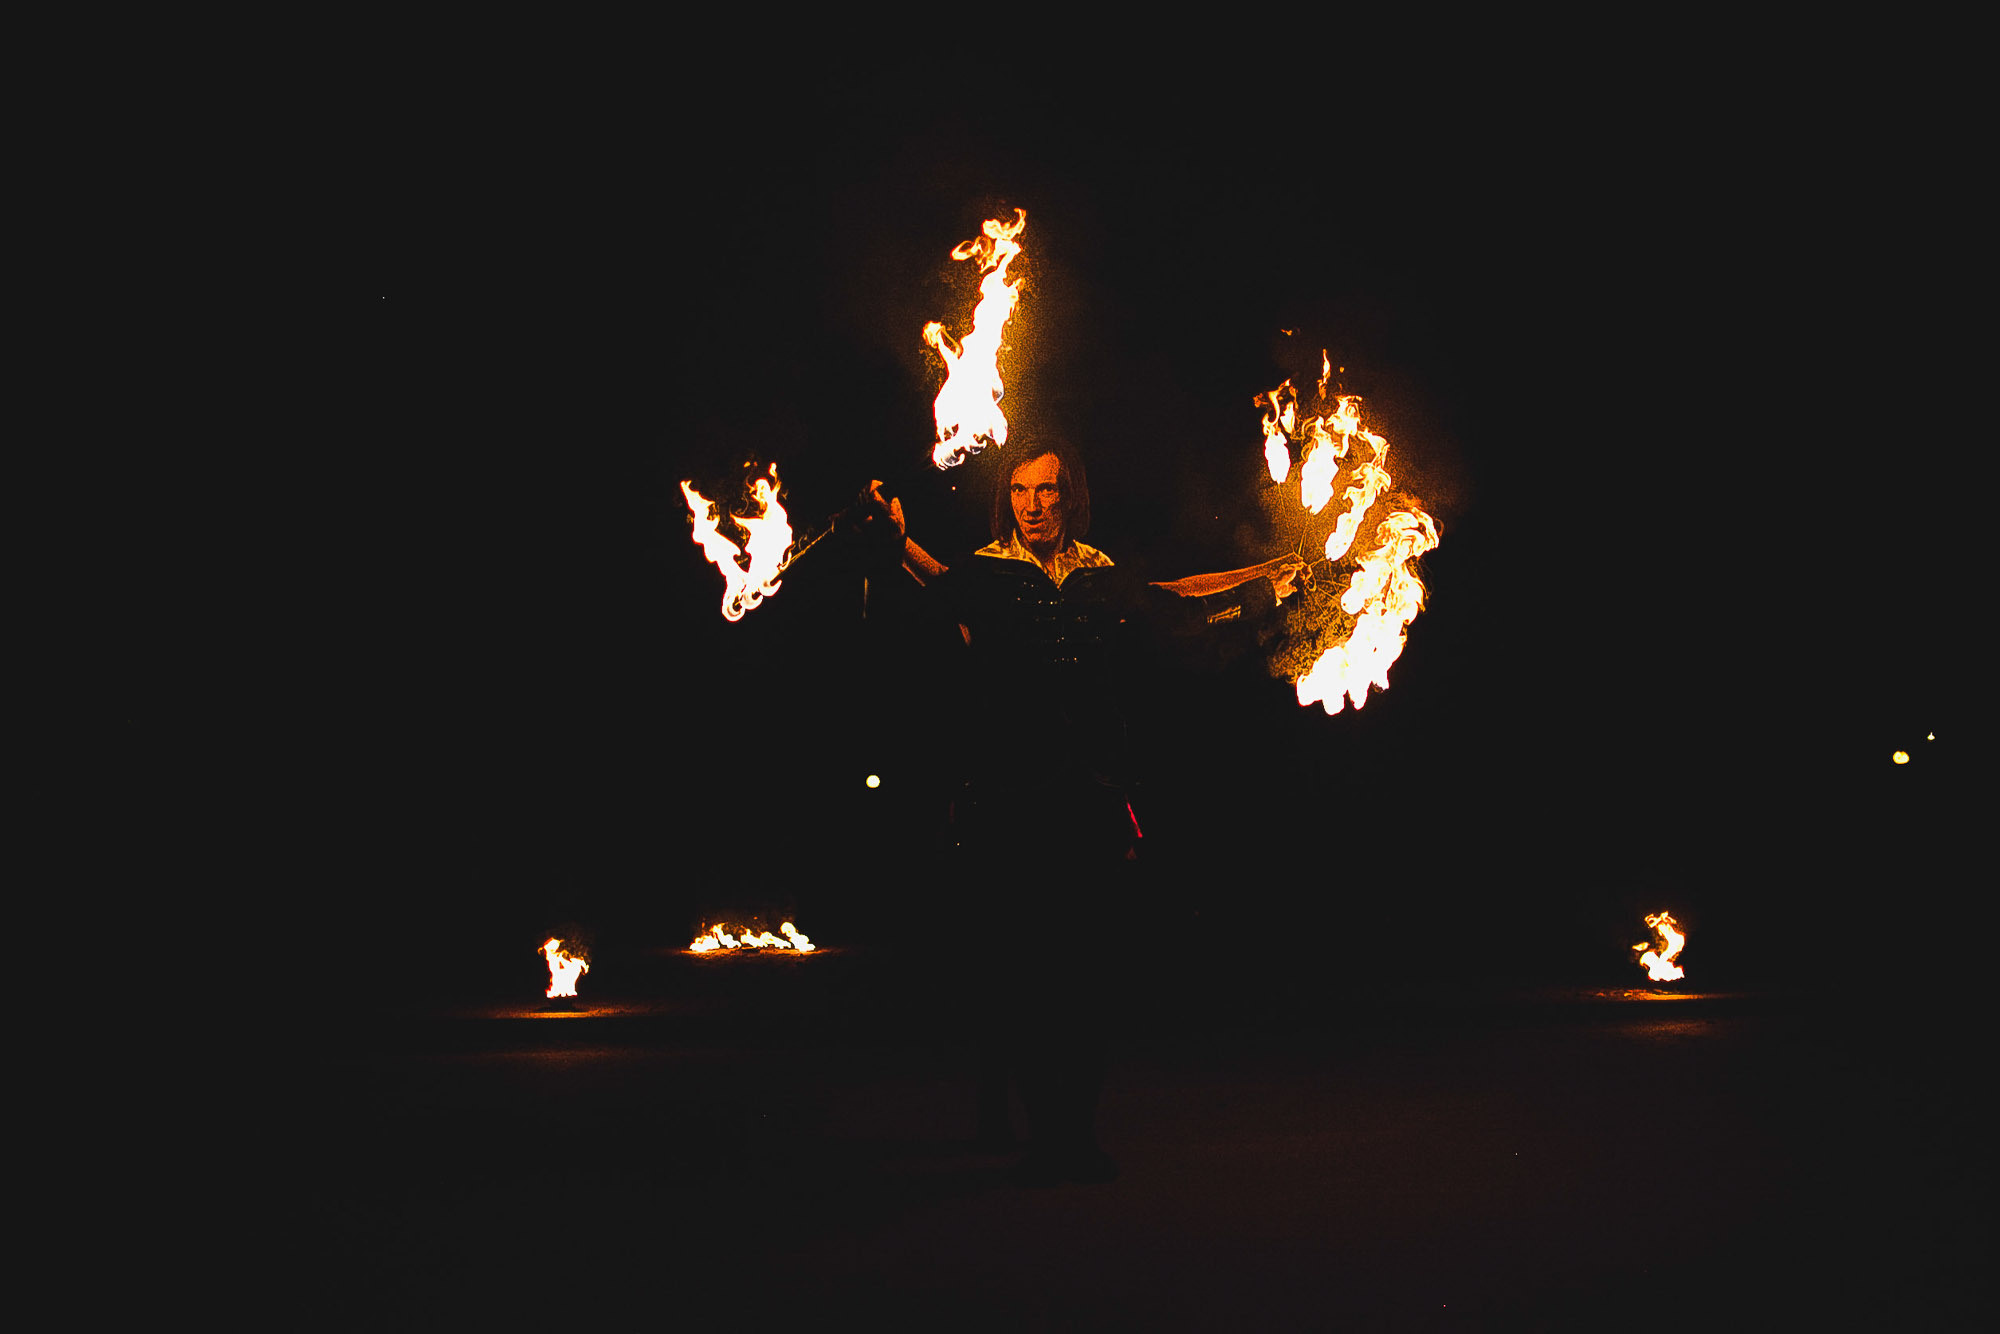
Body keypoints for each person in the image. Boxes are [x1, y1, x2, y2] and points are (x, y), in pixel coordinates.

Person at [855, 440, 1305, 1185]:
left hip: (1090, 796)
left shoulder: (1100, 576)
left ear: (1072, 498)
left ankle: (1077, 1133)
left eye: (1049, 492)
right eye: (1023, 492)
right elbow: (939, 585)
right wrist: (896, 537)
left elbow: (1176, 595)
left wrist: (1263, 573)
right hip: (1011, 798)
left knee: (1091, 975)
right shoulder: (988, 573)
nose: (1034, 505)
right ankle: (1045, 1134)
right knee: (1026, 973)